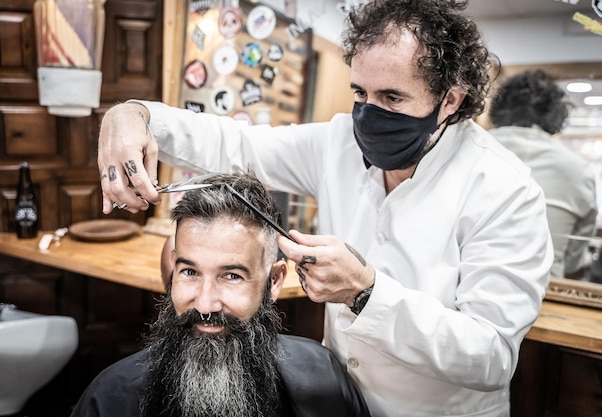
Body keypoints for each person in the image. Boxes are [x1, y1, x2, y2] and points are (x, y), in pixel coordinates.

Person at [96, 0, 553, 415]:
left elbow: (490, 356)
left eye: (392, 98)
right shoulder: (339, 142)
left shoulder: (504, 190)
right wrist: (135, 114)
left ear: (450, 99)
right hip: (339, 403)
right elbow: (235, 142)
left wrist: (365, 292)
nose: (369, 114)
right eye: (360, 93)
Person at [70, 172, 371, 417]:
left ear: (275, 280)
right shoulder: (111, 398)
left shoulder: (321, 380)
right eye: (190, 272)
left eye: (232, 276)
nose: (204, 303)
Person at [489, 69, 598, 279]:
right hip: (550, 291)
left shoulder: (467, 151)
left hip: (461, 289)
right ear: (556, 114)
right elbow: (573, 261)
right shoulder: (577, 169)